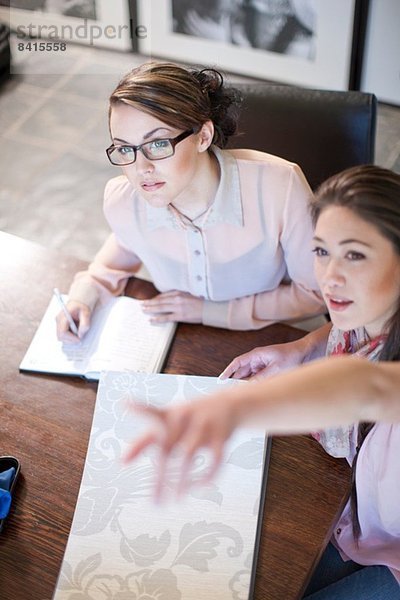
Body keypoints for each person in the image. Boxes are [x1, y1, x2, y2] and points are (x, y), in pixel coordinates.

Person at [124, 165, 400, 598]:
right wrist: (303, 347)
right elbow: (352, 353)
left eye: (356, 254)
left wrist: (235, 410)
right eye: (322, 252)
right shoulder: (367, 312)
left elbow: (367, 385)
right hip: (352, 519)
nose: (329, 278)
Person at [56, 61, 325, 342]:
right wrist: (80, 300)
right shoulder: (125, 200)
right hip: (182, 339)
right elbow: (109, 267)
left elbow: (316, 294)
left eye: (158, 144)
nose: (141, 168)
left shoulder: (279, 185)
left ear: (203, 136)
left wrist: (207, 311)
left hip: (276, 338)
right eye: (125, 148)